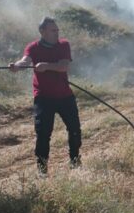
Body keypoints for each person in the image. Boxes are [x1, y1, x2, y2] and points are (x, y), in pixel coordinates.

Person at [10, 17, 81, 177]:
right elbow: (25, 61)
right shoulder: (33, 47)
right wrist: (16, 67)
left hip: (65, 97)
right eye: (53, 30)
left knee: (75, 130)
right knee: (43, 134)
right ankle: (42, 170)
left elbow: (64, 66)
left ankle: (75, 161)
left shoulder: (63, 44)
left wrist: (47, 66)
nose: (57, 33)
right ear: (42, 32)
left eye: (57, 30)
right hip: (43, 98)